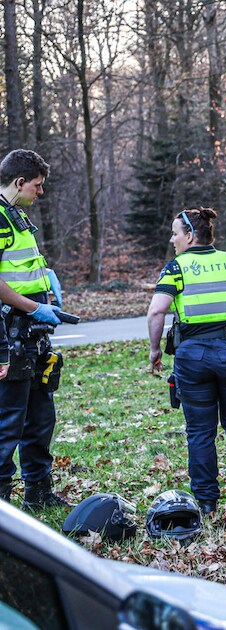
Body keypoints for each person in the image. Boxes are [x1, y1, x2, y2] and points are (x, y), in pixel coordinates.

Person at [146, 208, 226, 515]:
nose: (172, 239)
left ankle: (206, 499)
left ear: (189, 235)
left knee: (200, 430)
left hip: (193, 357)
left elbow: (156, 311)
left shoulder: (176, 268)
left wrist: (155, 349)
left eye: (175, 233)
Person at [0, 149, 72, 509]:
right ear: (19, 182)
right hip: (9, 336)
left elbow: (22, 270)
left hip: (33, 338)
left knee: (41, 419)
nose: (40, 192)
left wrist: (48, 282)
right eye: (37, 186)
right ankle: (4, 507)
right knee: (7, 424)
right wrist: (34, 307)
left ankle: (38, 495)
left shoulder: (18, 218)